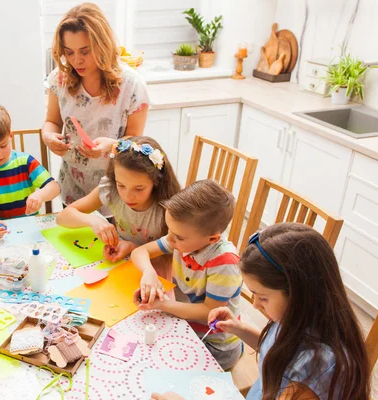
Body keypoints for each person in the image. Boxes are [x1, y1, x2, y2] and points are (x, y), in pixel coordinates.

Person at [208, 223, 370, 399]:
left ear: (298, 294)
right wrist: (238, 328)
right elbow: (275, 350)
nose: (255, 305)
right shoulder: (294, 318)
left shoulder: (315, 371)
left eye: (262, 298)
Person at [42, 2, 150, 214]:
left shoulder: (132, 85)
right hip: (72, 188)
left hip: (116, 191)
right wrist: (48, 137)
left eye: (85, 51)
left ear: (102, 44)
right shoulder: (59, 79)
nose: (76, 60)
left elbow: (136, 141)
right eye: (69, 52)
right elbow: (52, 122)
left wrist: (111, 145)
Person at [131, 180, 243, 370]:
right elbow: (139, 252)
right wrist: (149, 273)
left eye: (179, 237)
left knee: (155, 365)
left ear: (213, 239)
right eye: (170, 231)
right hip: (186, 324)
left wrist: (162, 304)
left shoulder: (225, 262)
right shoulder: (181, 239)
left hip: (216, 346)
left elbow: (209, 312)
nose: (170, 239)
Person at [56, 136, 180, 277]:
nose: (127, 196)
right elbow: (62, 217)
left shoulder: (170, 208)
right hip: (122, 267)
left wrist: (132, 248)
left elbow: (175, 260)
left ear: (157, 180)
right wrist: (93, 221)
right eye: (121, 185)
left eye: (139, 189)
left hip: (154, 275)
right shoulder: (110, 188)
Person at [0, 104, 60, 240]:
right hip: (0, 235)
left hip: (30, 231)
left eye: (3, 145)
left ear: (11, 135)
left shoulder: (25, 162)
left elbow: (54, 187)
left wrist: (40, 195)